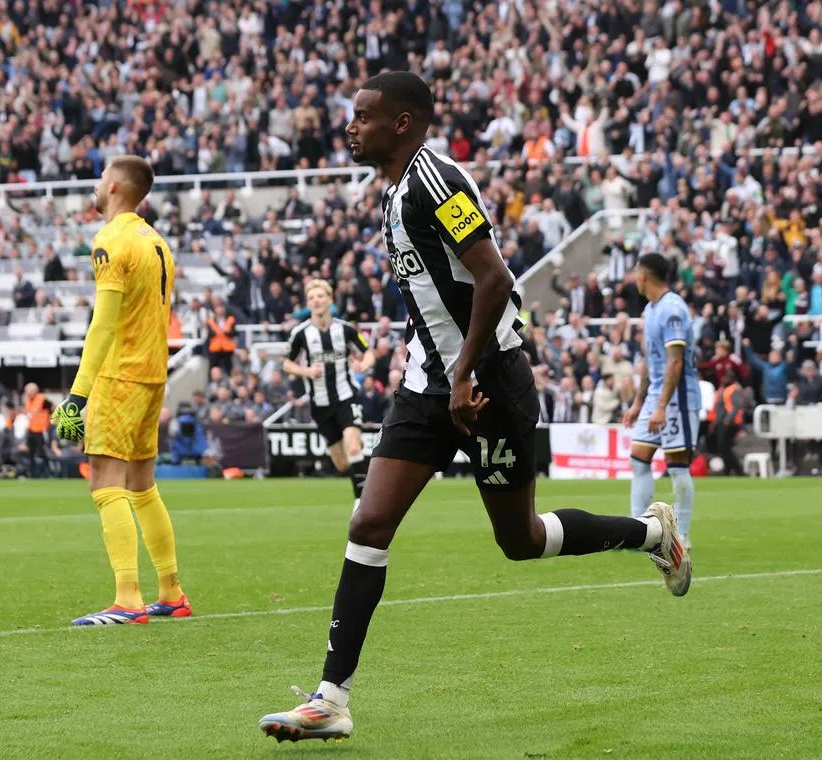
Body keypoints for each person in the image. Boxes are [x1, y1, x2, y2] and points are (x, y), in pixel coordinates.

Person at [257, 72, 690, 743]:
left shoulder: (435, 180)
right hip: (429, 385)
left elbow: (495, 278)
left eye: (365, 116)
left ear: (403, 123)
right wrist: (439, 371)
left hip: (487, 384)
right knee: (369, 522)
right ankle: (331, 698)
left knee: (519, 541)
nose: (352, 127)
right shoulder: (392, 188)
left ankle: (653, 534)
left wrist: (463, 373)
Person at [51, 156, 191, 625]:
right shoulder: (155, 240)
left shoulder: (111, 239)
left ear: (112, 186)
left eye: (98, 180)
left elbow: (103, 323)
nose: (95, 186)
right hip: (154, 373)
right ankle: (171, 592)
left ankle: (128, 599)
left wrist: (77, 394)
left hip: (121, 374)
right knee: (142, 486)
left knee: (105, 483)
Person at [622, 253, 702, 544]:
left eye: (635, 274)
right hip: (655, 396)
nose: (634, 279)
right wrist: (637, 403)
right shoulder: (649, 310)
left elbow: (675, 363)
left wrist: (661, 407)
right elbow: (649, 359)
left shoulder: (672, 310)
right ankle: (638, 530)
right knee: (639, 460)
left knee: (677, 467)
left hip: (677, 400)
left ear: (644, 276)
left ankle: (681, 535)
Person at [284, 278, 375, 509]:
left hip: (346, 396)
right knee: (342, 463)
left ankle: (360, 502)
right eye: (311, 298)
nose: (316, 301)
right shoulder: (301, 333)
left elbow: (368, 352)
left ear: (330, 300)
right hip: (320, 403)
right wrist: (305, 371)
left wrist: (364, 364)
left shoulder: (345, 329)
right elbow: (287, 363)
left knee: (353, 445)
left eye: (320, 296)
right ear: (308, 303)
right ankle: (365, 471)